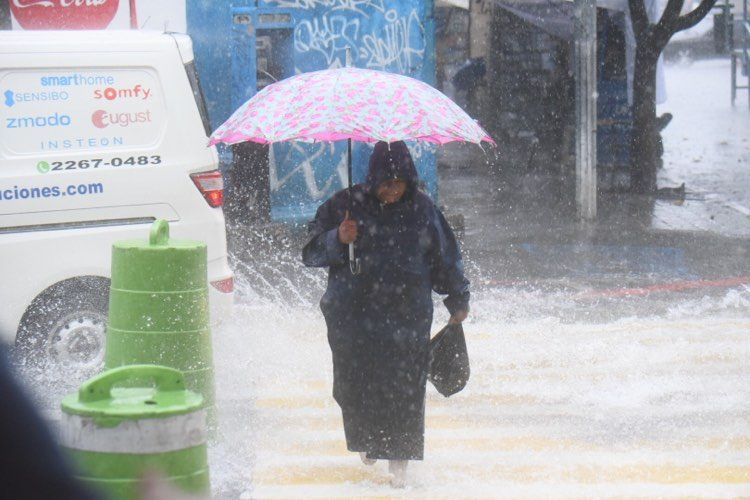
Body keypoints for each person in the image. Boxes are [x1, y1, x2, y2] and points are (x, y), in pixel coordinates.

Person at [302, 141, 470, 487]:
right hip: (353, 316)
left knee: (404, 387)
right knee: (354, 385)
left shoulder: (423, 210)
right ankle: (367, 440)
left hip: (406, 317)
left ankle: (400, 463)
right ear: (373, 178)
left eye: (399, 181)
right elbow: (310, 253)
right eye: (385, 181)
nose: (392, 189)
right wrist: (339, 237)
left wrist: (458, 299)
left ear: (409, 180)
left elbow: (446, 258)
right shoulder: (344, 206)